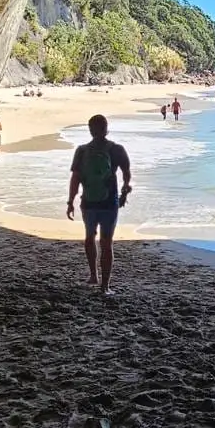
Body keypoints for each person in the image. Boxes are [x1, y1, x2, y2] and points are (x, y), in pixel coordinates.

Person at [66, 114, 132, 295]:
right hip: (109, 202)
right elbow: (126, 173)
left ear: (90, 130)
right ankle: (105, 286)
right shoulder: (117, 149)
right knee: (106, 243)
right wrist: (125, 191)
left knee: (89, 238)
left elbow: (75, 179)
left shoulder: (81, 151)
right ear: (106, 128)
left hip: (88, 202)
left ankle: (93, 275)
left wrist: (70, 201)